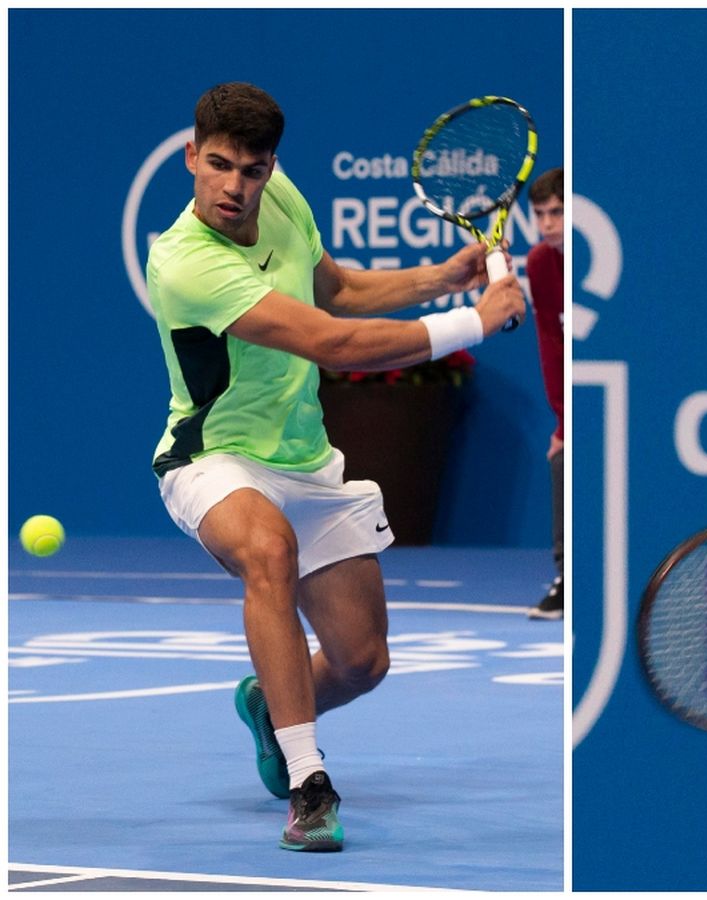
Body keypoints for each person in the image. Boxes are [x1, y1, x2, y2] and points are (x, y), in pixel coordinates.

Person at [146, 82, 526, 851]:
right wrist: (473, 322)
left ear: (270, 168)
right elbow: (330, 341)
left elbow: (340, 289)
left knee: (361, 663)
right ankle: (309, 782)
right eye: (217, 165)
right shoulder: (184, 261)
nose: (233, 185)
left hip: (307, 460)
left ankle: (268, 703)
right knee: (267, 550)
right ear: (191, 158)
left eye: (250, 171)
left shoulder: (280, 198)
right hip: (213, 457)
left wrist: (437, 279)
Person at [525, 167, 565, 620]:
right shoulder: (539, 263)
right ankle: (565, 578)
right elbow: (551, 341)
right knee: (560, 459)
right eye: (540, 214)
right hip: (573, 408)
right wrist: (564, 422)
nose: (548, 223)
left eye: (557, 212)